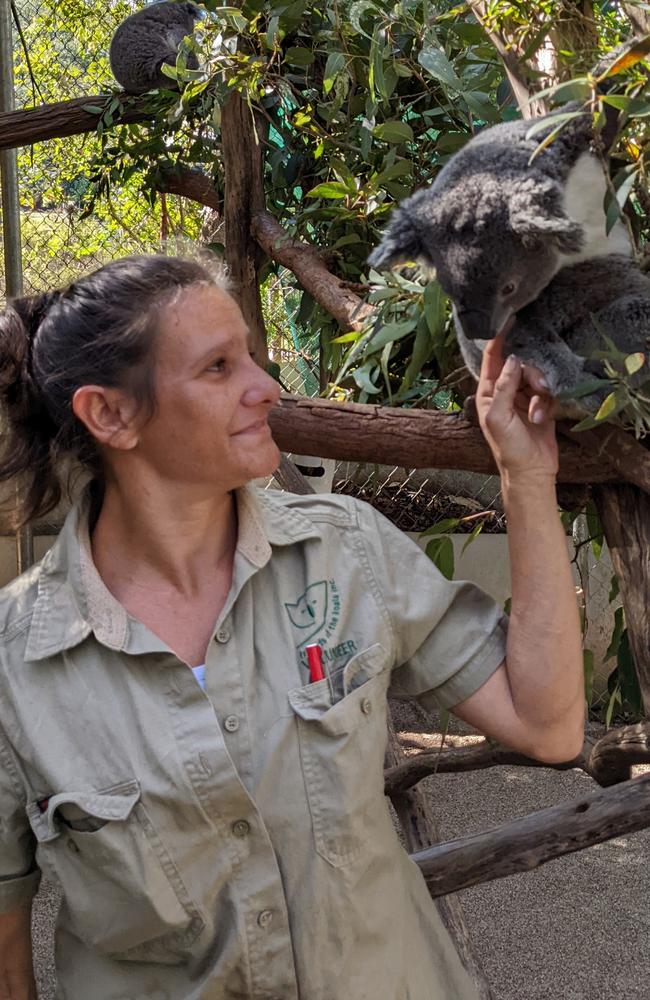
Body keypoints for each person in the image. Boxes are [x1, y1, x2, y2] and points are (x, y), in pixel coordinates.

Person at [0, 254, 584, 1000]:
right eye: (218, 367)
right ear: (111, 414)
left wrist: (527, 480)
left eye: (252, 354)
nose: (266, 388)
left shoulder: (347, 553)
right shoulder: (16, 665)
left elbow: (550, 725)